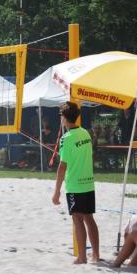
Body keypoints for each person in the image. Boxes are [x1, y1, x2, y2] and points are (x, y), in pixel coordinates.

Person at [52, 101, 99, 264]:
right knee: (89, 219)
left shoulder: (66, 138)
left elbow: (62, 166)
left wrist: (56, 191)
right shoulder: (85, 133)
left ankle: (82, 257)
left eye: (61, 116)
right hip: (88, 182)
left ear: (64, 118)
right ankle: (96, 255)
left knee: (78, 219)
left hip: (75, 185)